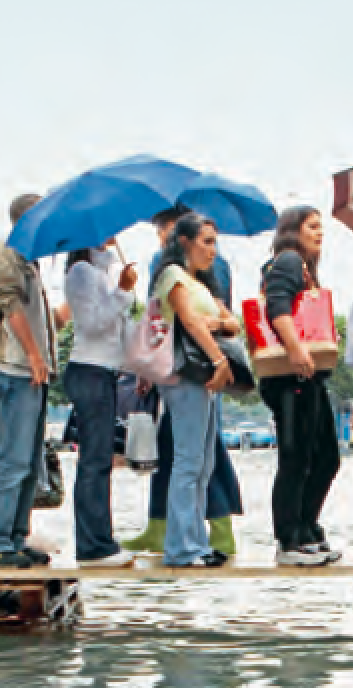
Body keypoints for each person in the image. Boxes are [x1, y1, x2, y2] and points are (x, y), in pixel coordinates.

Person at [127, 206, 244, 557]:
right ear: (185, 241)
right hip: (185, 375)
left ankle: (195, 541)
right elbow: (190, 322)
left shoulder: (200, 282)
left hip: (203, 374)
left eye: (215, 243)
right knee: (188, 461)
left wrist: (215, 325)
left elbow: (231, 323)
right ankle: (182, 547)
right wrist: (220, 357)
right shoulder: (172, 275)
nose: (213, 250)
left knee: (204, 462)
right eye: (206, 242)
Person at [0, 194, 60, 569]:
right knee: (12, 458)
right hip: (15, 367)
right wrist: (35, 355)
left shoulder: (29, 258)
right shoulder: (8, 254)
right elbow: (10, 307)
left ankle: (14, 536)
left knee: (28, 459)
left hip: (31, 371)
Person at [256, 207, 342, 567]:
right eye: (312, 226)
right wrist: (296, 349)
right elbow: (277, 307)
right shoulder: (288, 261)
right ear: (292, 231)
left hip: (308, 375)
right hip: (290, 375)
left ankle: (307, 529)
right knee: (295, 457)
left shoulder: (302, 267)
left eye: (321, 227)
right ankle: (288, 538)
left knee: (326, 457)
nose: (319, 232)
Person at [64, 243, 138, 567]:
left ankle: (101, 538)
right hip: (89, 369)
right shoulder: (82, 272)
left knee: (101, 458)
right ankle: (92, 545)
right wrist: (122, 292)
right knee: (94, 460)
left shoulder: (101, 273)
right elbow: (93, 324)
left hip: (105, 370)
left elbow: (115, 326)